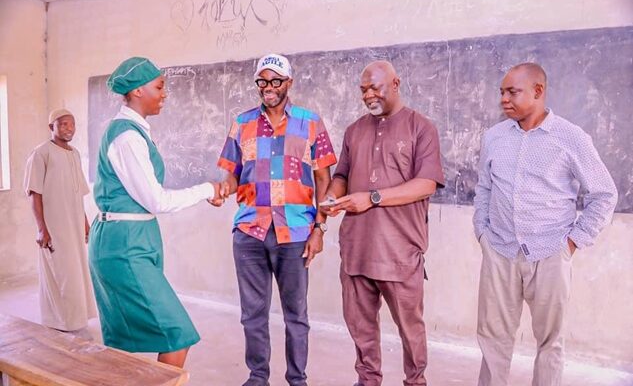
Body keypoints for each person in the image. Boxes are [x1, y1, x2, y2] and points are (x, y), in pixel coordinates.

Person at [473, 62, 618, 386]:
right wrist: (482, 232)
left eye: (513, 92)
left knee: (550, 342)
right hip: (499, 250)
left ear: (538, 91)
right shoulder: (494, 137)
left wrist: (572, 242)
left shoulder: (571, 138)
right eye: (502, 92)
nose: (504, 99)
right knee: (492, 339)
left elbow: (604, 193)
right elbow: (484, 189)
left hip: (550, 252)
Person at [89, 57, 225, 368]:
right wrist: (208, 189)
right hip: (124, 245)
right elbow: (157, 201)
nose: (165, 94)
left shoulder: (136, 131)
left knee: (125, 342)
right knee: (177, 334)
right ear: (138, 90)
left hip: (134, 238)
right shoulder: (127, 137)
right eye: (160, 87)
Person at [321, 60, 445, 386]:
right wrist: (332, 196)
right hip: (357, 250)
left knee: (410, 329)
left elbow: (426, 184)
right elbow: (342, 176)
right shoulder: (354, 131)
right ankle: (368, 380)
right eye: (363, 90)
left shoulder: (421, 128)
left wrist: (372, 198)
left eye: (375, 88)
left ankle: (415, 381)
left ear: (395, 84)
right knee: (360, 328)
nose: (368, 95)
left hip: (400, 251)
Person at [216, 53, 337, 386]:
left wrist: (320, 228)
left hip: (295, 233)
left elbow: (324, 180)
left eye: (275, 81)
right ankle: (258, 377)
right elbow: (231, 174)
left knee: (296, 315)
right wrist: (223, 188)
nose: (268, 87)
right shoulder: (241, 123)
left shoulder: (310, 122)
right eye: (262, 81)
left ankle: (297, 379)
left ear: (289, 83)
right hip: (249, 232)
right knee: (252, 314)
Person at [24, 108, 97, 334]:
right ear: (51, 127)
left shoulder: (75, 154)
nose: (69, 128)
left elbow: (77, 194)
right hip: (54, 225)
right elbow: (34, 193)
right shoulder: (41, 153)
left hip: (74, 225)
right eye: (63, 124)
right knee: (61, 273)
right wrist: (41, 229)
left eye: (72, 124)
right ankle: (58, 322)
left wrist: (85, 223)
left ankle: (76, 319)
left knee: (76, 272)